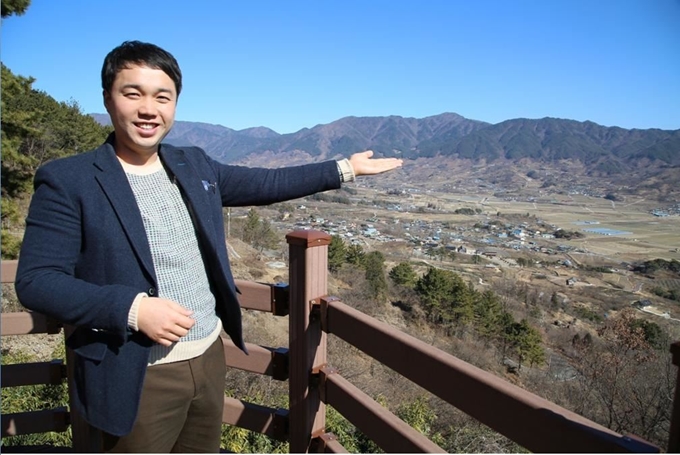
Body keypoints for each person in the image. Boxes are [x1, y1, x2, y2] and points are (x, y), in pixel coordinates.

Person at [14, 40, 403, 453]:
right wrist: (132, 309)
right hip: (135, 371)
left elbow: (265, 184)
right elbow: (37, 282)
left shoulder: (192, 164)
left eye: (162, 97)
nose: (149, 109)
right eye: (133, 93)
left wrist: (345, 168)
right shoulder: (69, 180)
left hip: (207, 355)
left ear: (175, 105)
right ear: (109, 99)